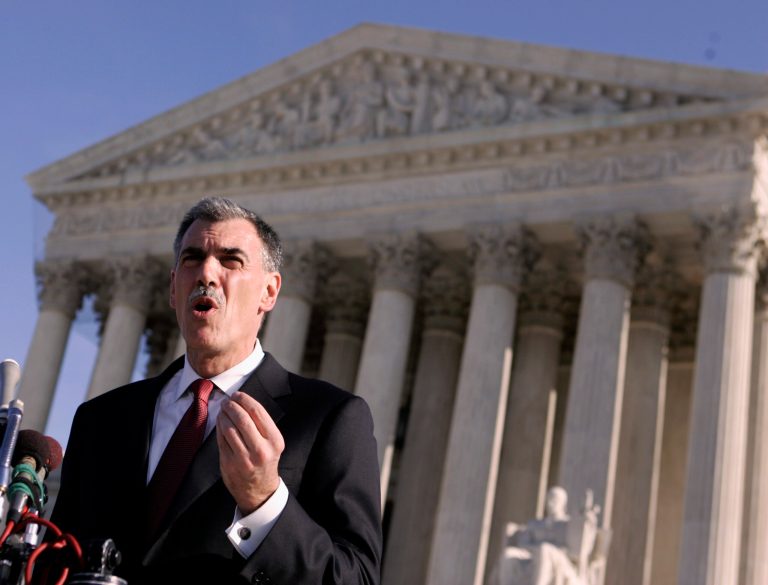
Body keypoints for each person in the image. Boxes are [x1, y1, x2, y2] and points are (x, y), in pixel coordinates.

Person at [50, 197, 382, 584]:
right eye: (192, 258)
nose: (206, 272)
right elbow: (58, 562)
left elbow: (356, 577)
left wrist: (264, 501)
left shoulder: (330, 418)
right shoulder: (100, 419)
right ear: (174, 288)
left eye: (231, 260)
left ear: (269, 293)